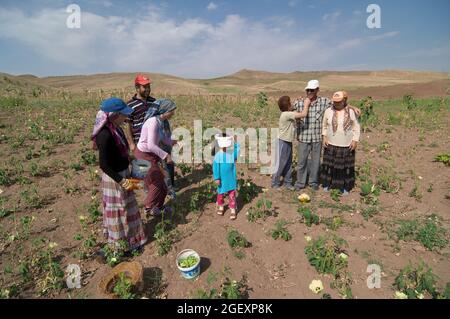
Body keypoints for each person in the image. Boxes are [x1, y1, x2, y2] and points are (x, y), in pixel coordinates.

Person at [92, 98, 147, 254]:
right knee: (117, 210)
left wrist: (129, 159)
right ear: (115, 115)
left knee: (129, 207)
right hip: (114, 179)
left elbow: (118, 153)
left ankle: (134, 241)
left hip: (123, 173)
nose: (126, 118)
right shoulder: (105, 135)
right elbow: (104, 165)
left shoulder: (117, 129)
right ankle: (118, 246)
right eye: (124, 115)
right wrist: (122, 181)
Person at [294, 80, 361, 191]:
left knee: (316, 162)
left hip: (316, 138)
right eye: (308, 90)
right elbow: (289, 110)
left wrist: (352, 107)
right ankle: (300, 182)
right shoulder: (299, 103)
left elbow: (339, 103)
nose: (309, 92)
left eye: (312, 90)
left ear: (317, 90)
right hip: (303, 137)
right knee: (301, 161)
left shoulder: (324, 102)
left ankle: (313, 182)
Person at [134, 99, 177, 217]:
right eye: (171, 111)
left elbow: (162, 138)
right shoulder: (153, 122)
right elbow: (151, 145)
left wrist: (171, 142)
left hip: (151, 155)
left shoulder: (160, 121)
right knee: (157, 183)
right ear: (165, 110)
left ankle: (158, 207)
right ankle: (148, 207)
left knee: (162, 183)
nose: (173, 113)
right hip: (143, 155)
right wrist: (166, 155)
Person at [320, 91, 361, 195]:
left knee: (344, 167)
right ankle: (327, 184)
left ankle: (344, 187)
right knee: (330, 165)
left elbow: (356, 127)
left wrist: (355, 140)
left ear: (344, 100)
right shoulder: (328, 111)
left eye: (339, 101)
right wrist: (324, 137)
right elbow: (324, 125)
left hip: (346, 144)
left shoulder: (351, 112)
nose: (336, 104)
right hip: (331, 143)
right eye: (335, 102)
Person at [271, 96, 311, 190]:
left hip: (287, 141)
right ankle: (275, 183)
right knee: (281, 163)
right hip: (283, 142)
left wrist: (298, 100)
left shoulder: (287, 113)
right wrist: (306, 103)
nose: (293, 103)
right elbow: (304, 114)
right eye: (291, 102)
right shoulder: (286, 114)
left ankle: (287, 182)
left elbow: (294, 110)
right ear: (288, 106)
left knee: (288, 163)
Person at [125, 74, 158, 152]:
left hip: (154, 141)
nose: (147, 89)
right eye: (145, 87)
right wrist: (131, 144)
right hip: (139, 143)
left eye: (148, 86)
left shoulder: (154, 102)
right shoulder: (130, 105)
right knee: (142, 164)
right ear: (137, 88)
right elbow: (128, 125)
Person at [213, 134, 240, 221]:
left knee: (232, 194)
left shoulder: (231, 154)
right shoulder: (218, 156)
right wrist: (217, 178)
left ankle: (232, 209)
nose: (224, 147)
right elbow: (215, 168)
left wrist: (234, 141)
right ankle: (221, 206)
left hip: (231, 178)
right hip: (222, 179)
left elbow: (238, 150)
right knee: (220, 194)